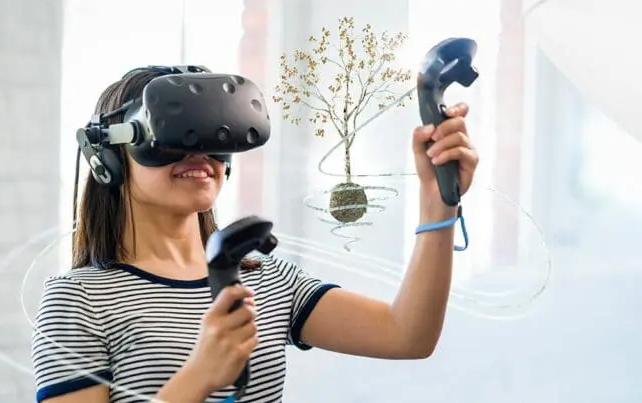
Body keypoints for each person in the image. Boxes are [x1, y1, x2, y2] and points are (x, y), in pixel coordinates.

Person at [31, 68, 479, 403]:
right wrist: (199, 376)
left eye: (214, 131)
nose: (198, 151)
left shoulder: (265, 280)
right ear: (108, 156)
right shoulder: (78, 301)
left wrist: (438, 194)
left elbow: (407, 335)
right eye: (173, 131)